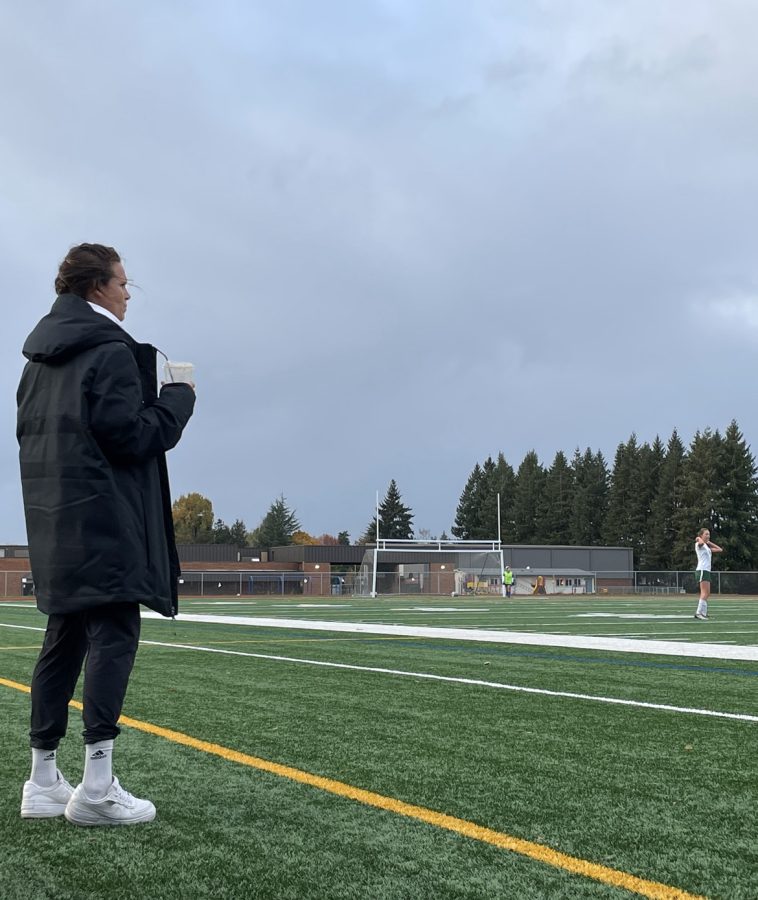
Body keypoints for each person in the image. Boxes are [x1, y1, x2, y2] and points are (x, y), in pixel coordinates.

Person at [17, 243, 195, 825]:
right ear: (96, 286)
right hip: (108, 522)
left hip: (54, 522)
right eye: (123, 282)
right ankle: (96, 787)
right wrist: (177, 401)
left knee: (62, 640)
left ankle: (42, 779)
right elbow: (132, 438)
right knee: (113, 636)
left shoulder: (37, 362)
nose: (127, 292)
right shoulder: (111, 352)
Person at [694, 527, 722, 620]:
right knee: (704, 592)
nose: (708, 536)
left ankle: (704, 613)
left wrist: (709, 542)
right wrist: (699, 538)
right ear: (701, 535)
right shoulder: (699, 543)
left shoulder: (707, 547)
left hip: (706, 571)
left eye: (709, 534)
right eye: (706, 534)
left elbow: (719, 549)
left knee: (707, 593)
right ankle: (698, 613)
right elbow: (700, 543)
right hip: (702, 570)